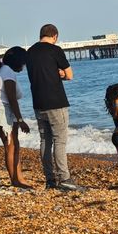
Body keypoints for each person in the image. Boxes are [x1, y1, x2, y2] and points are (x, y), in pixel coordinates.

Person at [26, 23, 80, 191]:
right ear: (55, 36)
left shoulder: (30, 53)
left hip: (38, 103)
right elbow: (70, 75)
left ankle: (49, 180)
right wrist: (61, 75)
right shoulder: (55, 50)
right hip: (56, 103)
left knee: (45, 141)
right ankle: (64, 178)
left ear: (41, 35)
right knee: (60, 141)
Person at [0, 47, 32, 187]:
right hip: (3, 110)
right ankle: (15, 180)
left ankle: (19, 178)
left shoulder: (4, 70)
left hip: (2, 110)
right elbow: (12, 98)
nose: (24, 66)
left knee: (15, 145)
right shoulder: (7, 71)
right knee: (10, 147)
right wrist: (20, 120)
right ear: (17, 61)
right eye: (23, 63)